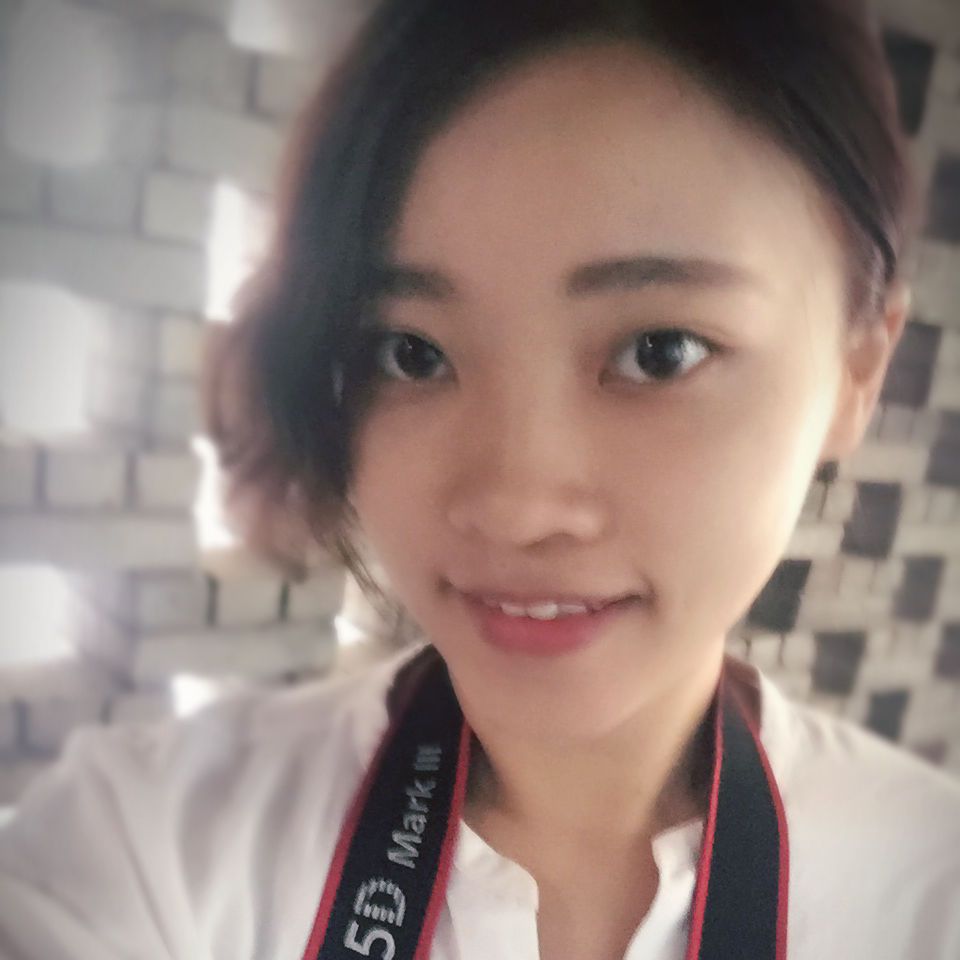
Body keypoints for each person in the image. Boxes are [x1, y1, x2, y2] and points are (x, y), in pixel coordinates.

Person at [2, 0, 959, 958]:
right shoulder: (146, 845)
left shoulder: (929, 881)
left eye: (659, 351)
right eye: (410, 353)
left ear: (858, 370)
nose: (515, 509)